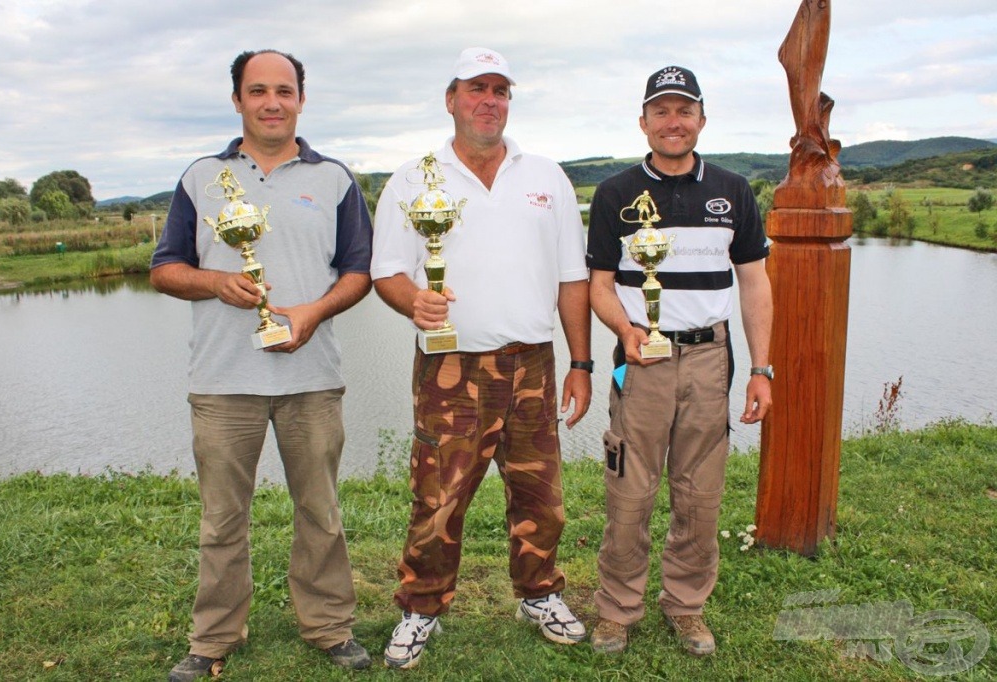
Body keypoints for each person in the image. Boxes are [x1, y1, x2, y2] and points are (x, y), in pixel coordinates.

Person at [150, 49, 373, 680]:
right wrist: (215, 284)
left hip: (312, 377)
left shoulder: (334, 178)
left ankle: (328, 626)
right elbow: (164, 268)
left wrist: (311, 312)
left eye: (284, 90)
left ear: (302, 98)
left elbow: (358, 272)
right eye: (258, 91)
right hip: (222, 381)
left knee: (321, 512)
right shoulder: (200, 177)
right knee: (222, 519)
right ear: (238, 101)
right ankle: (213, 638)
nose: (271, 102)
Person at [371, 46, 593, 669]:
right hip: (452, 366)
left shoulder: (546, 176)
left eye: (500, 89)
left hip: (534, 362)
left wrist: (582, 362)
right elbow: (386, 270)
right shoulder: (414, 179)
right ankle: (421, 607)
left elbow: (572, 278)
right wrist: (414, 300)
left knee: (540, 493)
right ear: (451, 99)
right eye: (476, 88)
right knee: (438, 496)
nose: (489, 100)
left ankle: (539, 593)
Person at [585, 65, 773, 657]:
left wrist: (762, 369)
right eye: (661, 111)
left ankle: (686, 605)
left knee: (700, 492)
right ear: (643, 121)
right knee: (630, 492)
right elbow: (598, 286)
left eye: (684, 110)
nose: (673, 121)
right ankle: (618, 610)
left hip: (710, 359)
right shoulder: (615, 194)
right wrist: (627, 330)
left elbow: (755, 284)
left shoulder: (734, 190)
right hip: (640, 361)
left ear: (701, 120)